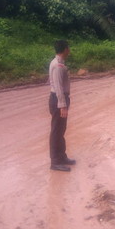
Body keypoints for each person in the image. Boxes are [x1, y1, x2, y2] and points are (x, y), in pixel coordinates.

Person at [48, 40, 76, 171]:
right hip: (59, 100)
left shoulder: (58, 63)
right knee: (56, 131)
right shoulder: (58, 65)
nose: (69, 50)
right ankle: (55, 162)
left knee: (61, 130)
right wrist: (63, 105)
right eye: (68, 48)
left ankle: (61, 157)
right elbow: (58, 87)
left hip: (59, 99)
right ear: (65, 49)